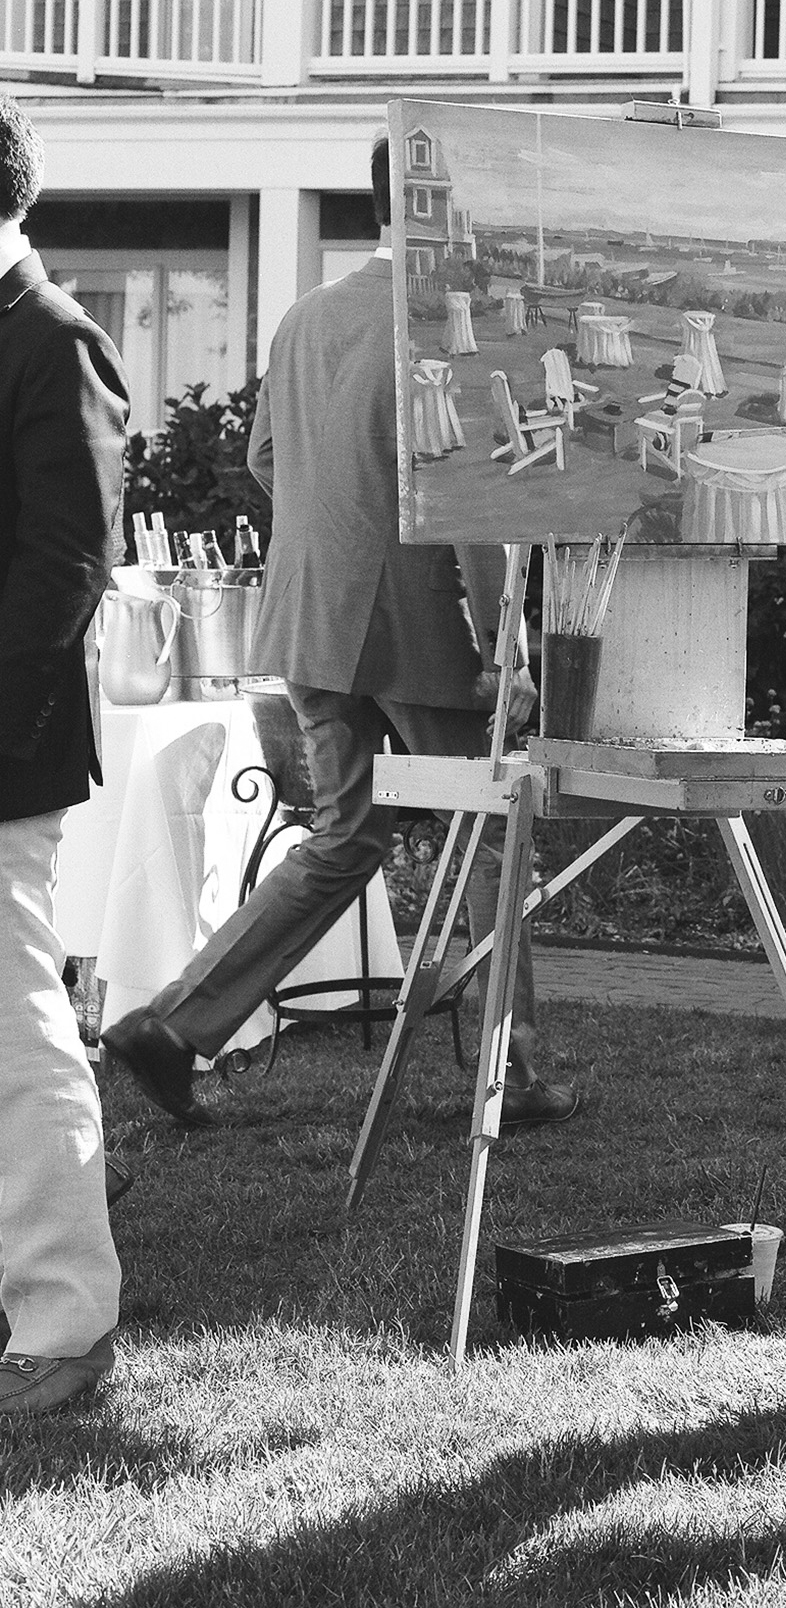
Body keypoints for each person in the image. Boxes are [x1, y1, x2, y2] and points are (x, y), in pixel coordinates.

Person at [103, 139, 577, 1132]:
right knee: (489, 829)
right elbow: (470, 503)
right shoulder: (446, 320)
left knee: (346, 835)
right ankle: (512, 1072)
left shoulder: (307, 315)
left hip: (310, 618)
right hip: (419, 625)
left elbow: (268, 459)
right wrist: (506, 644)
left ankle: (175, 1024)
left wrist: (342, 532)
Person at [0, 95, 129, 1416]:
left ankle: (62, 1326)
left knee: (17, 1045)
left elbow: (65, 571)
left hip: (3, 761)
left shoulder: (57, 341)